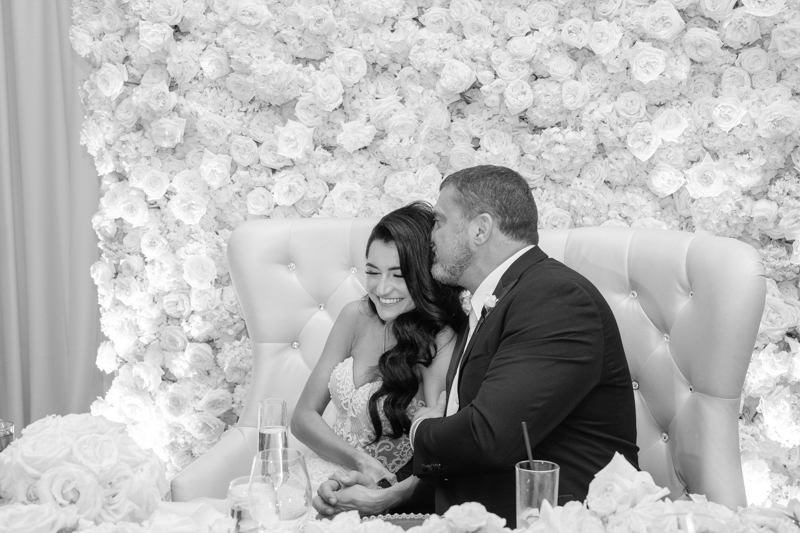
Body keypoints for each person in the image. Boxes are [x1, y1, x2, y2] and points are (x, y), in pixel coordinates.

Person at [313, 165, 639, 523]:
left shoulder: (555, 299)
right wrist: (388, 494)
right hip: (478, 514)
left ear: (480, 229)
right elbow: (473, 445)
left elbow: (487, 436)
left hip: (552, 521)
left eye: (439, 221)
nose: (431, 237)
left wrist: (422, 427)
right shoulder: (495, 302)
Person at [290, 201, 465, 513]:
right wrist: (358, 461)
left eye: (398, 275)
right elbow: (303, 418)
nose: (382, 288)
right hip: (317, 474)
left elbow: (437, 449)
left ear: (424, 275)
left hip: (381, 493)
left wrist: (380, 491)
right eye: (372, 272)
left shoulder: (441, 339)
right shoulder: (353, 316)